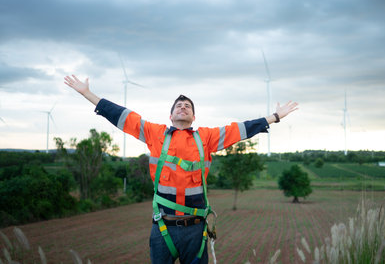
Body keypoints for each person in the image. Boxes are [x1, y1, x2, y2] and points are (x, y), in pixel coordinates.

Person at [64, 74, 298, 264]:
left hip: (195, 231)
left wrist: (275, 117)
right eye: (179, 105)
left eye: (187, 106)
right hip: (162, 228)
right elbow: (122, 116)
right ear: (171, 115)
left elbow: (240, 129)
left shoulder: (206, 137)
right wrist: (87, 94)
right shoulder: (155, 134)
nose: (183, 107)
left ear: (193, 116)